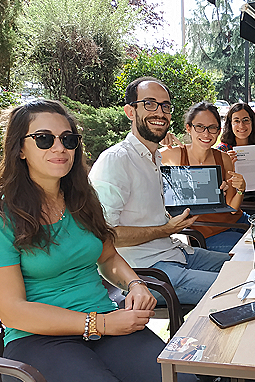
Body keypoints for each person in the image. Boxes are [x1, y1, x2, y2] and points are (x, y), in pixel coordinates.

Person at [0, 99, 204, 382]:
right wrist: (101, 323)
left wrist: (134, 285)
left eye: (67, 139)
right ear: (20, 147)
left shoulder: (82, 201)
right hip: (38, 343)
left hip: (104, 324)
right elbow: (12, 311)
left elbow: (109, 257)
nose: (59, 148)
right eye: (44, 138)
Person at [89, 77, 230, 305]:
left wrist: (212, 196)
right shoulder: (116, 160)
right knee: (237, 289)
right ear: (130, 111)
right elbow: (104, 235)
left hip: (175, 253)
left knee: (243, 266)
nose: (160, 112)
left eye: (165, 106)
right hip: (148, 274)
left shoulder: (155, 157)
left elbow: (156, 211)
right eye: (150, 104)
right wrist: (165, 229)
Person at [160, 102, 248, 253]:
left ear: (218, 131)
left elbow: (233, 209)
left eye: (212, 128)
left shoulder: (223, 158)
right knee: (252, 252)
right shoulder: (174, 155)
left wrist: (241, 189)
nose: (206, 134)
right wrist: (157, 141)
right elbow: (139, 161)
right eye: (199, 127)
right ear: (189, 128)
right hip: (208, 233)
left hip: (238, 222)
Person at [217, 103, 255, 203]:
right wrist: (227, 166)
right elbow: (218, 187)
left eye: (245, 120)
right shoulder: (223, 150)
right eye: (236, 121)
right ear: (230, 124)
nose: (241, 125)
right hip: (232, 203)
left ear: (252, 122)